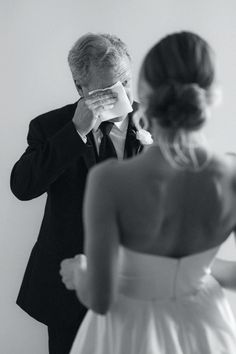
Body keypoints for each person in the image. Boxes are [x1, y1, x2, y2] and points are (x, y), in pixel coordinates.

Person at [61, 31, 236, 353]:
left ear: (144, 92)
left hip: (129, 330)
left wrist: (80, 273)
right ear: (212, 94)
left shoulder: (109, 180)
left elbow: (100, 299)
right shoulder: (232, 175)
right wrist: (192, 273)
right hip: (207, 329)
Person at [10, 33, 143, 354]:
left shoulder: (158, 123)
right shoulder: (50, 127)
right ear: (81, 88)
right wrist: (75, 132)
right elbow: (23, 187)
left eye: (124, 83)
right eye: (107, 90)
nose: (121, 95)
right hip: (68, 292)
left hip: (139, 286)